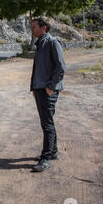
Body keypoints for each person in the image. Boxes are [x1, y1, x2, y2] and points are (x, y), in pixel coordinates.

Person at [30, 17, 66, 172]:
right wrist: (34, 88)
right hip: (40, 89)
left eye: (34, 27)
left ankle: (46, 158)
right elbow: (37, 69)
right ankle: (53, 152)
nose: (32, 30)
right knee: (48, 121)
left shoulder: (52, 42)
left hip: (47, 90)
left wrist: (50, 87)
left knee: (47, 124)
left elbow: (61, 67)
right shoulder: (41, 43)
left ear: (43, 27)